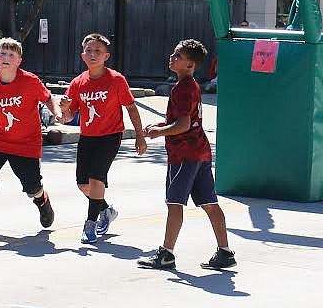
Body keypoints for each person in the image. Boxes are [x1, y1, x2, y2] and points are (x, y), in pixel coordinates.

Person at [138, 39, 235, 271]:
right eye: (173, 53)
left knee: (175, 203)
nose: (172, 57)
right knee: (210, 203)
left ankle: (166, 254)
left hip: (184, 154)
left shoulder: (182, 89)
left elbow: (182, 125)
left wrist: (159, 132)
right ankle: (225, 252)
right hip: (200, 152)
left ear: (190, 64)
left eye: (178, 56)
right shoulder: (191, 86)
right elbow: (187, 121)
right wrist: (162, 124)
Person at [0, 37, 61, 233]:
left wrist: (57, 113)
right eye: (2, 53)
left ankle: (42, 200)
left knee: (32, 188)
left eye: (11, 54)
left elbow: (48, 98)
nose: (6, 57)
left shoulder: (30, 81)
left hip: (27, 143)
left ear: (18, 61)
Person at [59, 33, 147, 244]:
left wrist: (139, 135)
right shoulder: (78, 83)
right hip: (87, 136)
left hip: (110, 135)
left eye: (97, 51)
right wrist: (64, 109)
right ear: (82, 55)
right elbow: (70, 116)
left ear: (106, 55)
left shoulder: (116, 80)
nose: (92, 54)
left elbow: (131, 108)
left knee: (97, 179)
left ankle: (90, 225)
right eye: (89, 50)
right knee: (83, 184)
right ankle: (105, 210)